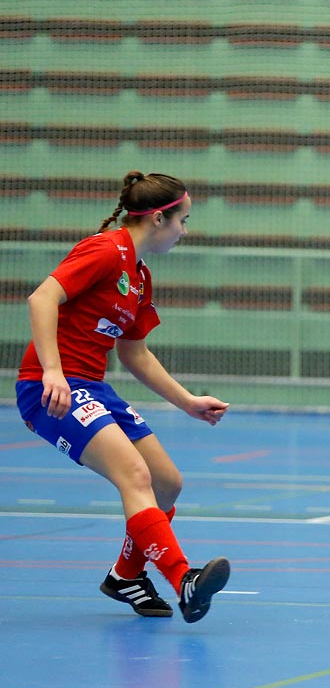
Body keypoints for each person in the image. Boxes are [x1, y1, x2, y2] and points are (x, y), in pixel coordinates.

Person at [15, 171, 232, 623]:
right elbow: (42, 298)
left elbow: (134, 351)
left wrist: (187, 401)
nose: (184, 232)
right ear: (157, 219)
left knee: (167, 482)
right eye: (183, 221)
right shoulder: (104, 250)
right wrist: (53, 371)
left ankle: (125, 576)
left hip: (93, 387)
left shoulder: (138, 275)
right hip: (49, 388)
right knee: (134, 475)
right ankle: (184, 581)